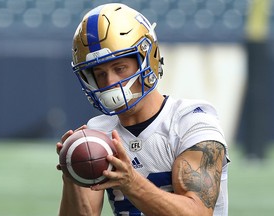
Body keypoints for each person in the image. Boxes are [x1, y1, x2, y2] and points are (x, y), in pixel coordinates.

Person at [56, 3, 230, 216]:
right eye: (100, 74)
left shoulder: (193, 123)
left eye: (120, 68)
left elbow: (198, 213)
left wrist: (132, 183)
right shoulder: (98, 133)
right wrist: (73, 175)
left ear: (148, 59)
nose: (110, 82)